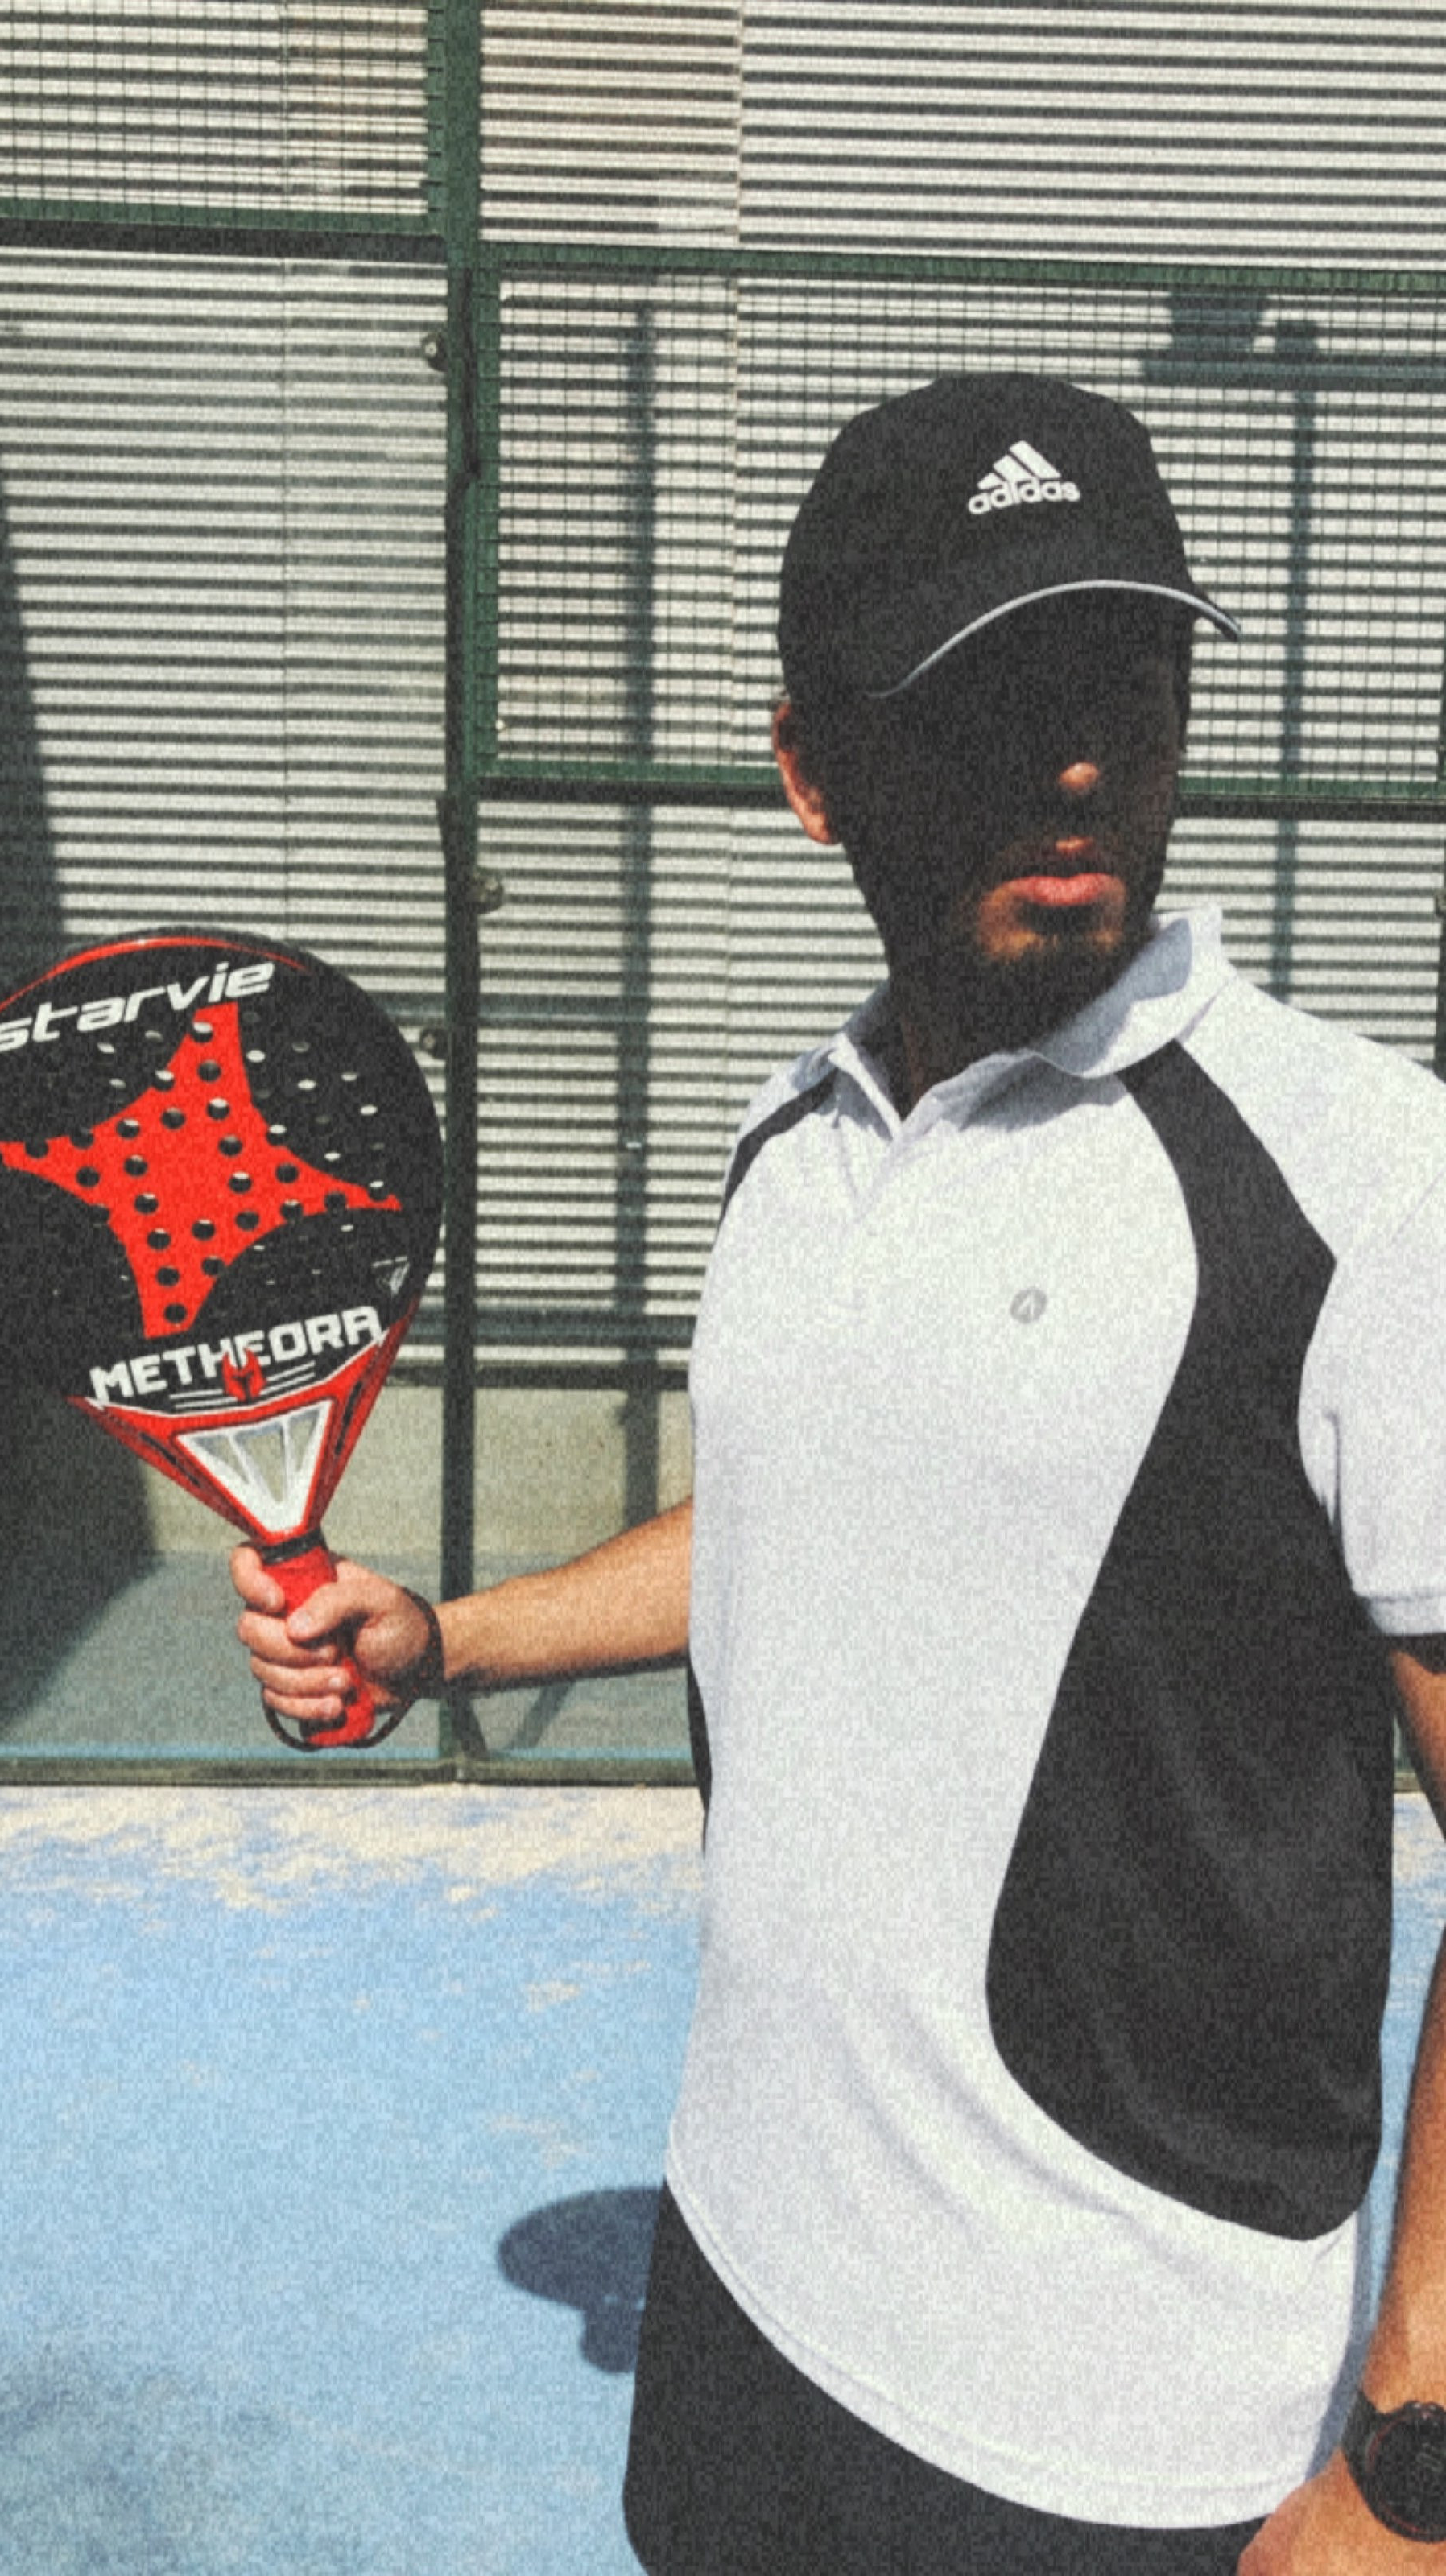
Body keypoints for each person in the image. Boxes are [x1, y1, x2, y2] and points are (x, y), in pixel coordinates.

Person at [233, 374, 1446, 2574]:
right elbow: (817, 1508)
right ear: (814, 769)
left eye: (1124, 683)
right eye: (993, 695)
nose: (1077, 763)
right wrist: (449, 1638)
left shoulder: (1369, 1182)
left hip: (1126, 2423)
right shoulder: (791, 1145)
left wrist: (1412, 2459)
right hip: (752, 2291)